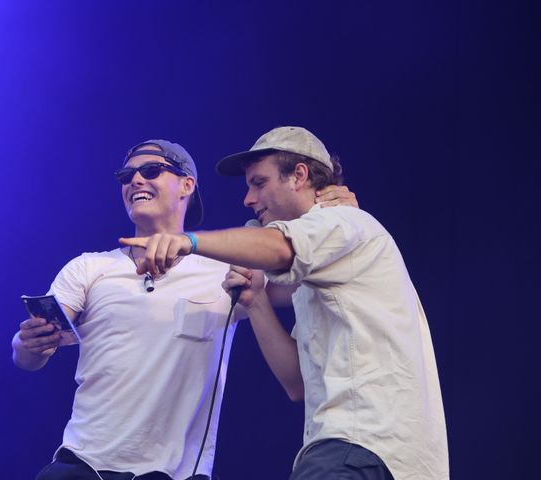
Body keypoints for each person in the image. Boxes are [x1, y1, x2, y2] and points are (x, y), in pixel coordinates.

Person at [12, 137, 358, 480]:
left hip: (176, 473)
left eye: (150, 171)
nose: (135, 181)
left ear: (187, 184)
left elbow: (308, 276)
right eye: (126, 176)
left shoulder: (226, 267)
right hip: (84, 465)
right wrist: (29, 345)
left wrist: (335, 216)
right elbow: (29, 356)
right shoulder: (88, 268)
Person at [120, 126, 449, 480]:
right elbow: (297, 385)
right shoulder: (315, 272)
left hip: (360, 448)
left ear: (299, 176)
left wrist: (187, 241)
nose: (248, 199)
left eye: (259, 183)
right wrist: (256, 301)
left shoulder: (342, 221)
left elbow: (278, 247)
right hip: (386, 457)